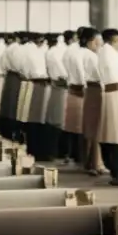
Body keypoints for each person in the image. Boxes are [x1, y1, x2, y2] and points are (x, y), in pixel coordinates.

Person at [98, 29, 118, 187]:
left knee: (117, 136)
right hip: (116, 95)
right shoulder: (108, 53)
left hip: (117, 95)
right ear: (114, 39)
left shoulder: (109, 52)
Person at [79, 28, 107, 175]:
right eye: (98, 41)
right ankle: (97, 163)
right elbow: (100, 74)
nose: (100, 44)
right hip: (95, 89)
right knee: (96, 127)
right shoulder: (92, 57)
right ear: (91, 41)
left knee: (90, 127)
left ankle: (90, 161)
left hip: (89, 89)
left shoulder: (82, 54)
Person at [25, 34, 51, 161]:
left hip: (32, 84)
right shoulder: (41, 51)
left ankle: (33, 149)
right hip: (41, 84)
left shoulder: (28, 50)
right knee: (40, 120)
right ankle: (40, 151)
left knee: (34, 119)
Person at [62, 28, 85, 164]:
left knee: (71, 125)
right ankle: (78, 156)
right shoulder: (78, 52)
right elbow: (82, 73)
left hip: (70, 88)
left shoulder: (67, 51)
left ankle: (69, 153)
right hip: (80, 90)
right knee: (80, 125)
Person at [44, 33, 68, 162]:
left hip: (54, 87)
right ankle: (56, 151)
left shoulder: (49, 52)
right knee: (59, 121)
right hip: (60, 87)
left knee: (53, 120)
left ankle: (53, 151)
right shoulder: (57, 52)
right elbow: (63, 73)